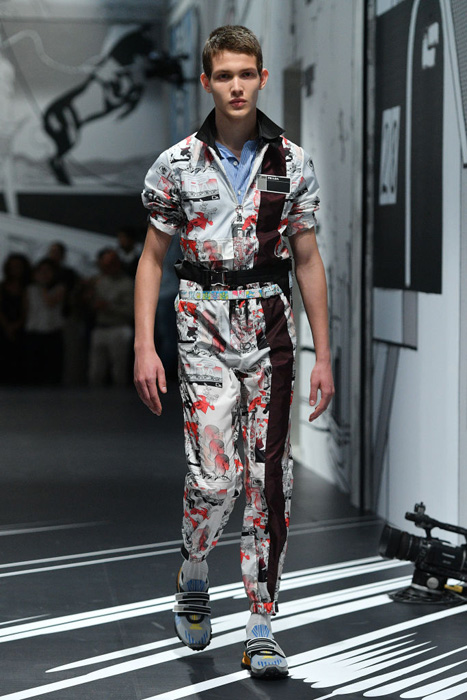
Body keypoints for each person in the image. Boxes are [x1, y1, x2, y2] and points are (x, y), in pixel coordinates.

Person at [134, 25, 334, 680]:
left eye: (247, 73)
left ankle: (261, 621)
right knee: (214, 478)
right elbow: (152, 259)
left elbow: (308, 260)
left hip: (270, 323)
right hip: (200, 323)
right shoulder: (176, 164)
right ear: (207, 82)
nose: (237, 86)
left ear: (262, 78)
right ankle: (194, 568)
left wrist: (324, 354)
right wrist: (144, 345)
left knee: (269, 478)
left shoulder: (292, 162)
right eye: (224, 75)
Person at [87, 248, 134, 386]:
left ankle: (121, 397)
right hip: (100, 327)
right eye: (104, 264)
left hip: (119, 328)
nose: (107, 267)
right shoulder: (98, 281)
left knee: (119, 370)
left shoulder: (127, 283)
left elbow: (131, 310)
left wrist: (108, 306)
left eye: (111, 263)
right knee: (95, 371)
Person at [24, 257, 65, 385]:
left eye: (48, 271)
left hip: (52, 331)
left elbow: (50, 303)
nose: (44, 274)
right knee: (34, 369)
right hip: (34, 331)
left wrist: (43, 286)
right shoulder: (30, 289)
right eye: (41, 271)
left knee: (52, 369)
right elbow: (26, 309)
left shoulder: (59, 288)